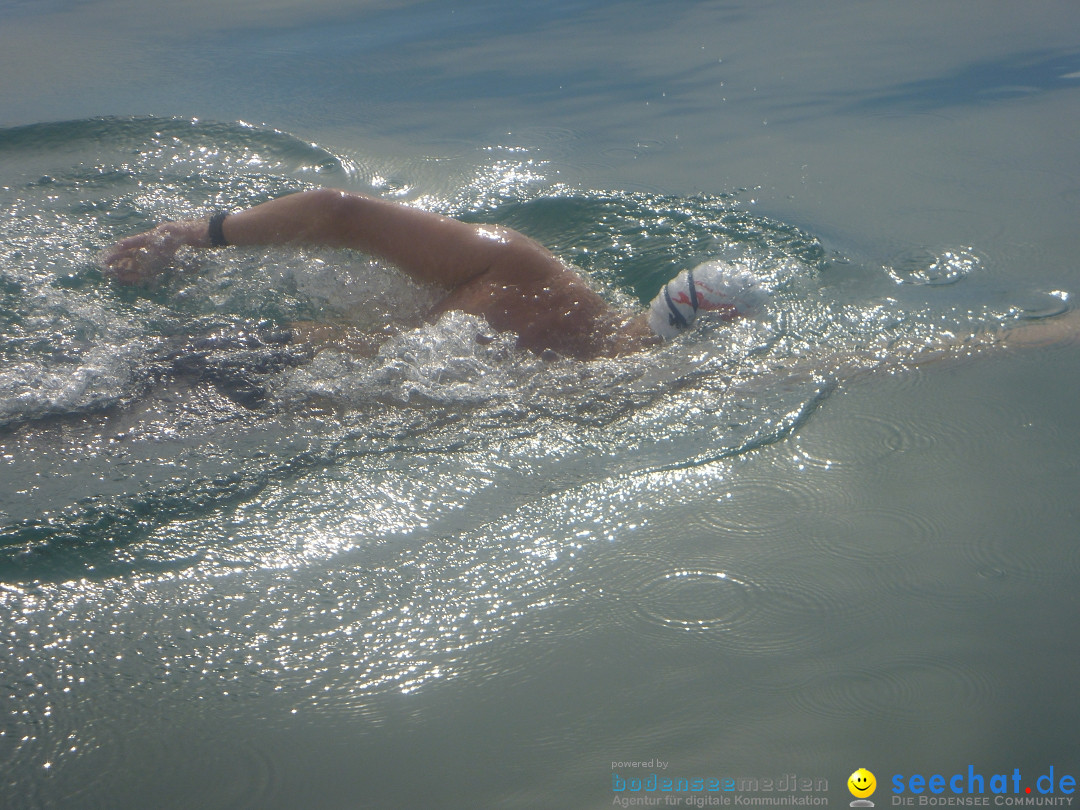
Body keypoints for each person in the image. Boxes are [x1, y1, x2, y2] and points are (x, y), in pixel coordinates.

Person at [101, 188, 767, 361]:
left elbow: (340, 211)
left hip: (257, 360)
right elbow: (342, 213)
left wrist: (197, 235)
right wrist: (192, 233)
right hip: (264, 393)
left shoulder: (525, 273)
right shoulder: (631, 396)